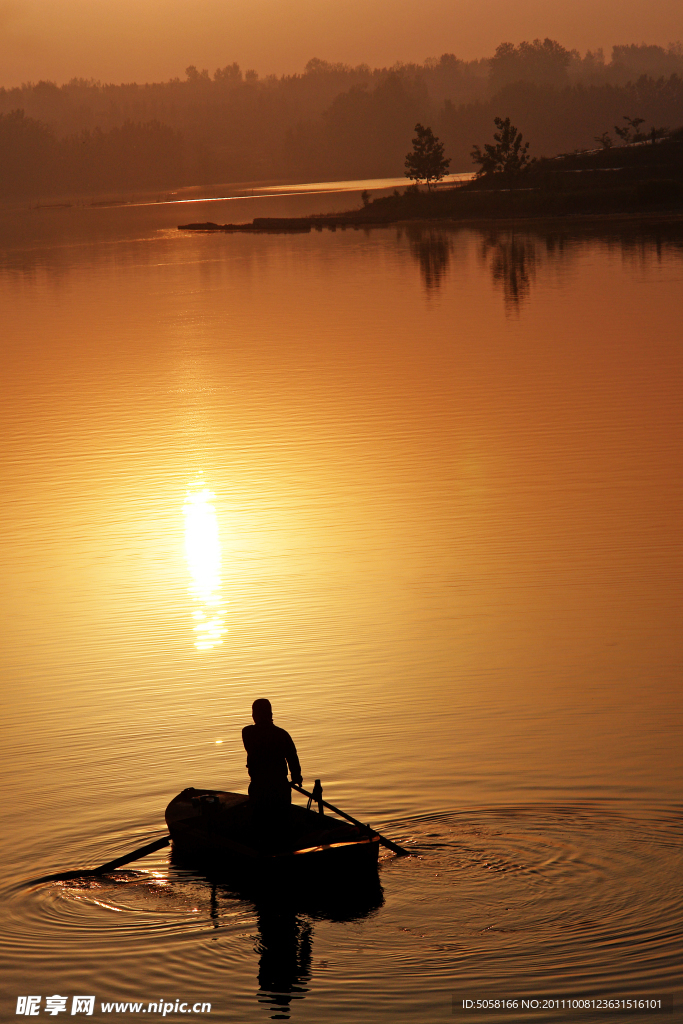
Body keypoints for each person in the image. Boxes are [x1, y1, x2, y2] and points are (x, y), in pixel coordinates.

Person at [242, 699, 302, 833]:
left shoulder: (247, 733)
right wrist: (296, 777)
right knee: (282, 824)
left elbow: (292, 758)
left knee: (260, 825)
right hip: (280, 787)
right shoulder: (282, 734)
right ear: (271, 714)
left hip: (260, 788)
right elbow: (293, 758)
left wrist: (296, 775)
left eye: (254, 713)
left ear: (254, 715)